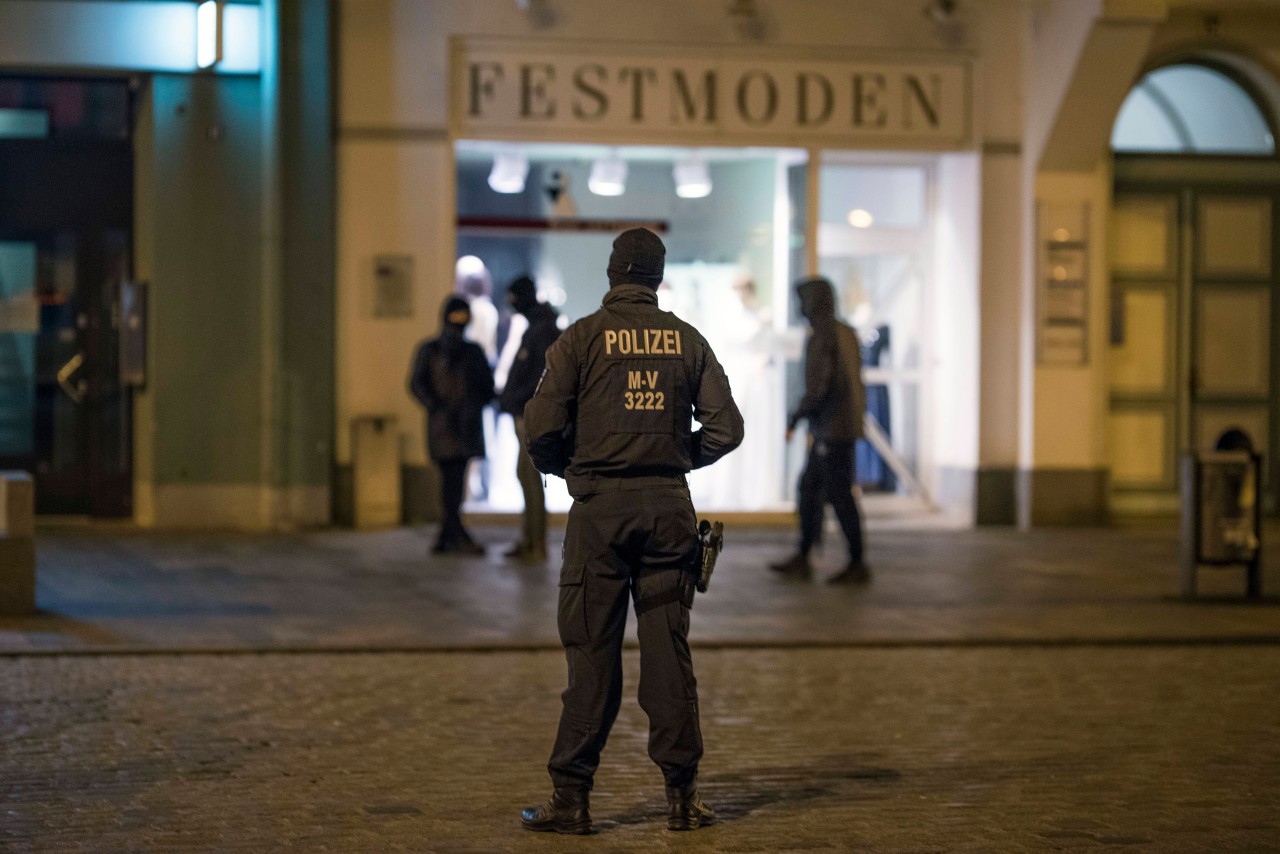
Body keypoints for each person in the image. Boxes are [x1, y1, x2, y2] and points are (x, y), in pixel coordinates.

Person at [520, 228, 744, 835]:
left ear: (614, 272)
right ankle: (681, 798)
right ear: (657, 277)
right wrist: (674, 458)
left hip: (600, 513)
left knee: (591, 654)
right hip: (667, 511)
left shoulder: (582, 339)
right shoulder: (687, 341)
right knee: (668, 654)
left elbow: (538, 428)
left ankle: (572, 798)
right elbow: (727, 429)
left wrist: (569, 468)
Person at [770, 275, 870, 584]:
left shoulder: (823, 335)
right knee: (811, 489)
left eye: (802, 301)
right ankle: (805, 554)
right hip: (840, 428)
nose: (800, 307)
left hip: (832, 431)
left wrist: (796, 416)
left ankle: (856, 562)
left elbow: (819, 385)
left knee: (837, 495)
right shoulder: (846, 332)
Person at [408, 296, 494, 555]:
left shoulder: (464, 351)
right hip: (449, 426)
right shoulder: (436, 350)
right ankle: (454, 534)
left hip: (454, 426)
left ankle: (449, 535)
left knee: (453, 483)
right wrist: (438, 405)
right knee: (452, 483)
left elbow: (485, 387)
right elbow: (417, 384)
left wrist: (442, 406)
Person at [497, 275, 561, 562]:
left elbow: (537, 375)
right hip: (526, 410)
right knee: (525, 474)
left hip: (530, 412)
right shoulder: (538, 326)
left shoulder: (542, 329)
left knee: (528, 475)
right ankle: (531, 539)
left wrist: (515, 399)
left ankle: (535, 542)